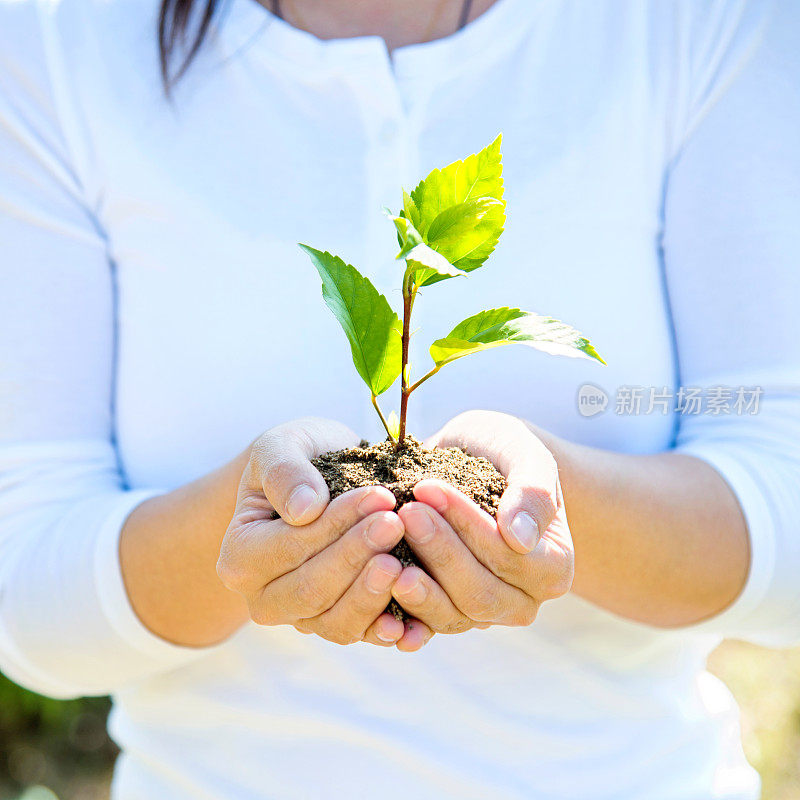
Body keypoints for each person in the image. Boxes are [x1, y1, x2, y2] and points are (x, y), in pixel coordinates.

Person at [1, 0, 798, 797]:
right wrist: (256, 526)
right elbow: (25, 595)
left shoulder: (702, 22)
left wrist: (547, 504)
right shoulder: (58, 37)